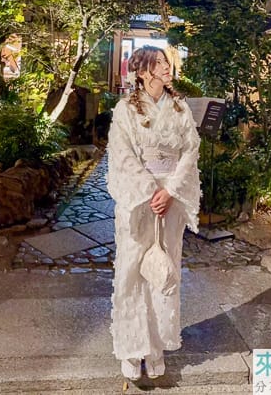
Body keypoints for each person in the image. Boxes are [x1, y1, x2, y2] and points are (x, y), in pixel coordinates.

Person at [107, 45, 201, 381]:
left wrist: (171, 191)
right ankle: (132, 349)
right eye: (158, 63)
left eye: (166, 62)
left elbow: (191, 149)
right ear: (144, 72)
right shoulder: (125, 109)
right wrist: (150, 191)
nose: (166, 67)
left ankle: (156, 348)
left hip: (170, 196)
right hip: (139, 197)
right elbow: (122, 154)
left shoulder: (179, 106)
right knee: (132, 268)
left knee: (164, 267)